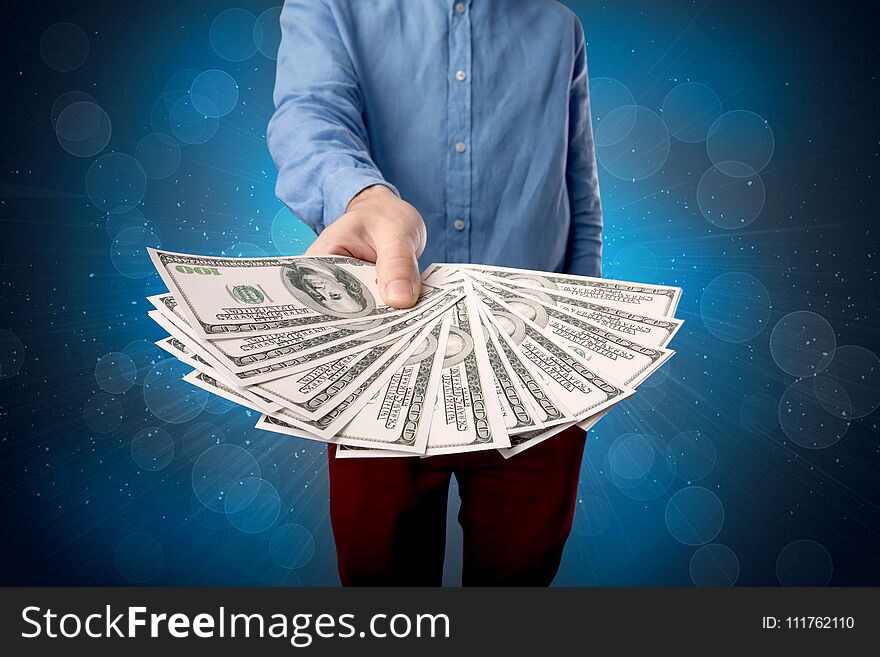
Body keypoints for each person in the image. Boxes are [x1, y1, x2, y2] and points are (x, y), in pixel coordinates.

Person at [268, 0, 603, 586]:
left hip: (534, 375)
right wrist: (363, 197)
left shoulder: (560, 27)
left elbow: (579, 196)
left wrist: (583, 351)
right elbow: (308, 117)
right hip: (379, 366)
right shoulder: (330, 7)